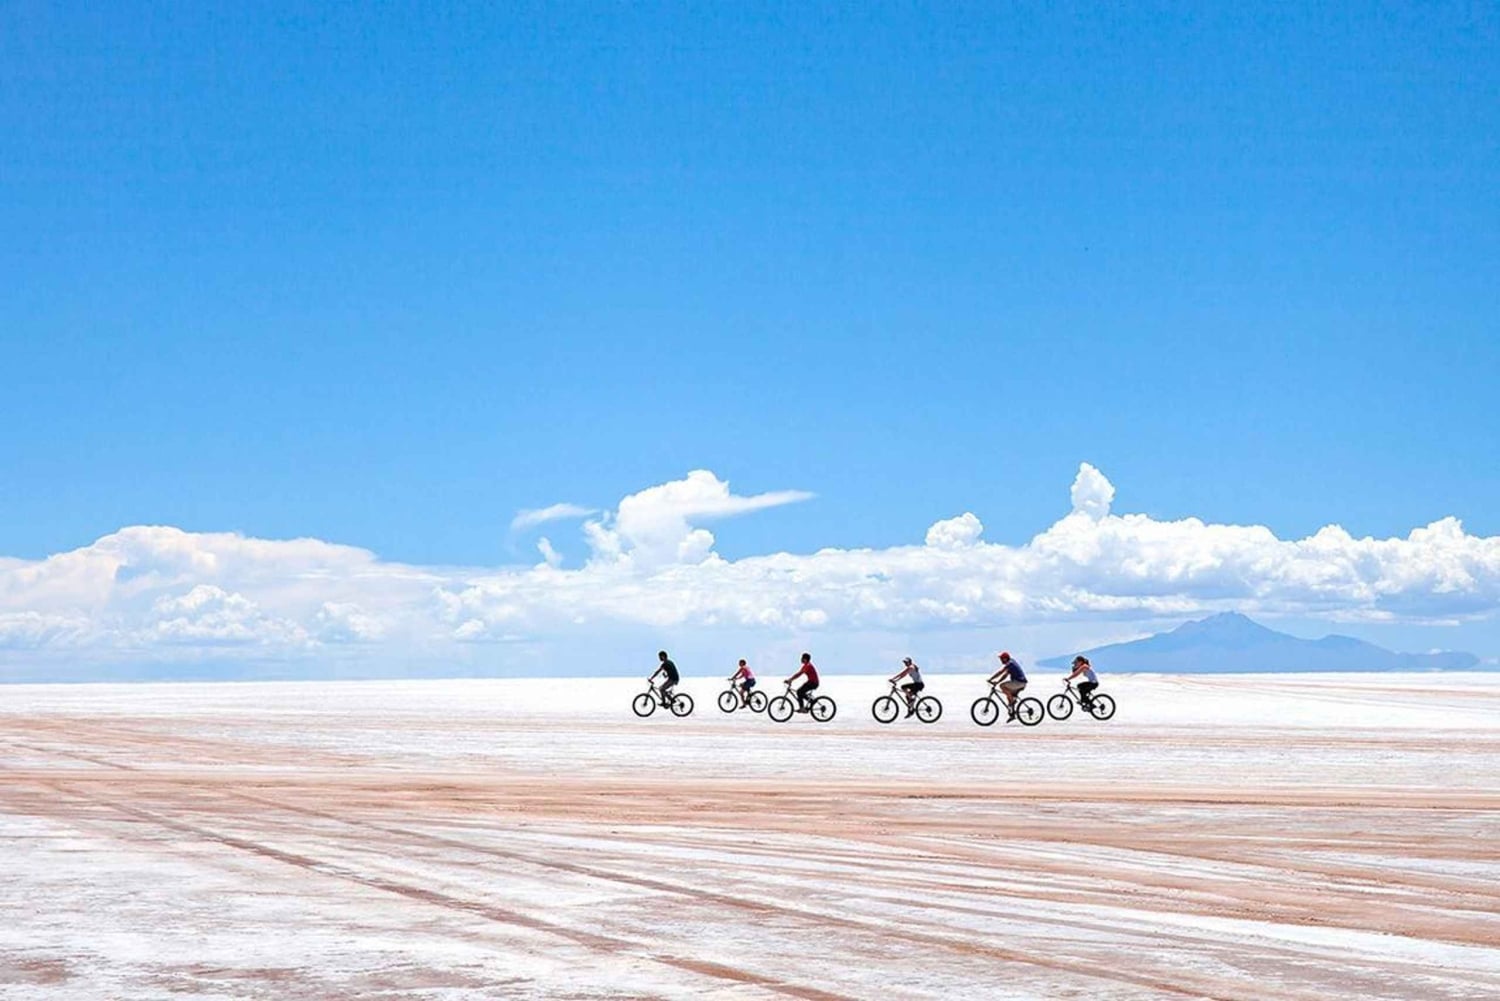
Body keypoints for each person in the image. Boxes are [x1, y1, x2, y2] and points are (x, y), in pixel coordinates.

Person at [987, 651, 1027, 718]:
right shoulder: (1011, 662)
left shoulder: (1010, 663)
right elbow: (1005, 675)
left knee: (1002, 686)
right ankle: (1012, 713)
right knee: (1009, 696)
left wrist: (991, 679)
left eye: (1001, 659)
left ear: (1005, 658)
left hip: (1019, 683)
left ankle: (1012, 702)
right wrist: (997, 682)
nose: (1001, 660)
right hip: (1020, 683)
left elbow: (1001, 672)